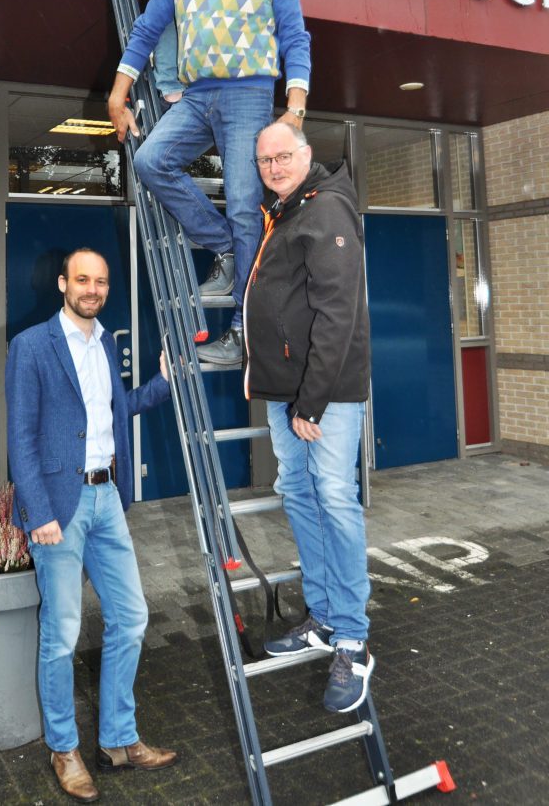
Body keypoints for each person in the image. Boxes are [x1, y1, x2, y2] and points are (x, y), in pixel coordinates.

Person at [107, 0, 311, 366]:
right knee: (151, 160)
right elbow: (147, 28)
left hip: (248, 95)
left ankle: (243, 332)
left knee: (245, 205)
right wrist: (118, 93)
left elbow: (295, 39)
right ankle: (222, 247)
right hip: (197, 97)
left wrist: (295, 106)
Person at [5, 248, 176, 803]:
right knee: (62, 635)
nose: (92, 289)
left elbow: (110, 411)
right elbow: (22, 438)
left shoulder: (106, 342)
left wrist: (163, 383)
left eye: (100, 281)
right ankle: (64, 749)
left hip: (107, 500)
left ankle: (120, 739)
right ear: (62, 283)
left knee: (131, 617)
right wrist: (39, 514)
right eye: (82, 279)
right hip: (60, 504)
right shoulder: (31, 346)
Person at [243, 121, 374, 714]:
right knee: (296, 490)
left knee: (334, 498)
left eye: (282, 156)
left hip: (324, 395)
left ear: (306, 155)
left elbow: (337, 314)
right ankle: (322, 616)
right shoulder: (288, 211)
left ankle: (351, 637)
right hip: (285, 390)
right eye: (264, 159)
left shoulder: (326, 212)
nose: (273, 166)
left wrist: (311, 401)